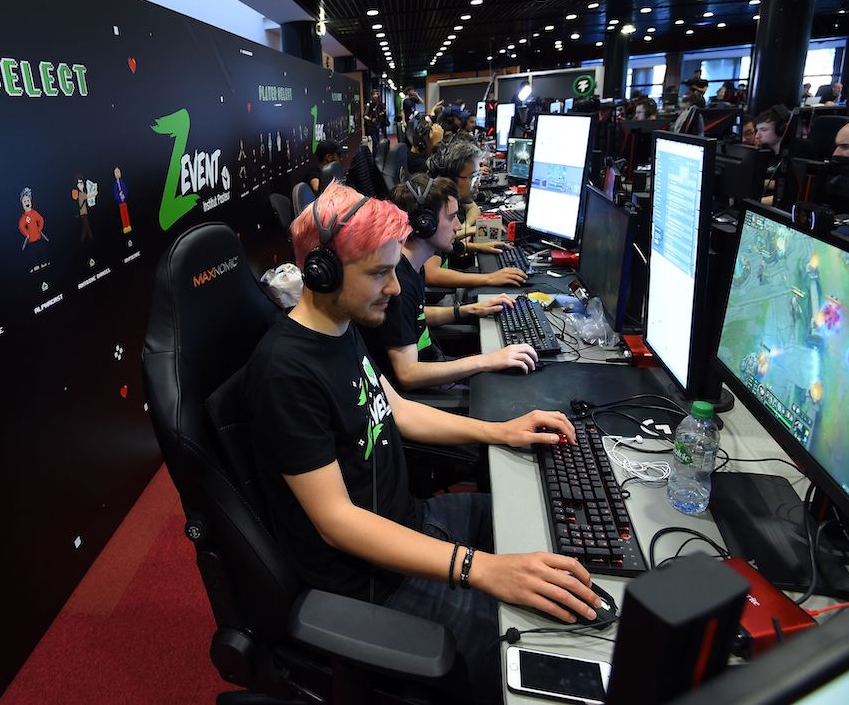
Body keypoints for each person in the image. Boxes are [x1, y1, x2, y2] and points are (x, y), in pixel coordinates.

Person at [244, 181, 600, 701]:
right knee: (551, 655)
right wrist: (482, 569)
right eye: (379, 273)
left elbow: (398, 409)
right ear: (322, 273)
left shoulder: (341, 327)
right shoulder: (285, 373)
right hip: (371, 583)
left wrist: (500, 431)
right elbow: (337, 522)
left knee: (549, 519)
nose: (395, 288)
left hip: (411, 519)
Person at [364, 174, 537, 393]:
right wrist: (486, 360)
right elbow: (407, 374)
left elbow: (413, 315)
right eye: (451, 217)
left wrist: (468, 309)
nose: (457, 226)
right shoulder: (399, 282)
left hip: (435, 364)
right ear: (425, 224)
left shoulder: (413, 266)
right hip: (423, 391)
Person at [425, 138, 528, 288]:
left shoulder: (449, 199)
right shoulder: (438, 208)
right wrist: (489, 278)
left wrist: (477, 247)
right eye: (474, 178)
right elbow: (431, 274)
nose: (478, 183)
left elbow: (446, 245)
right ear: (452, 179)